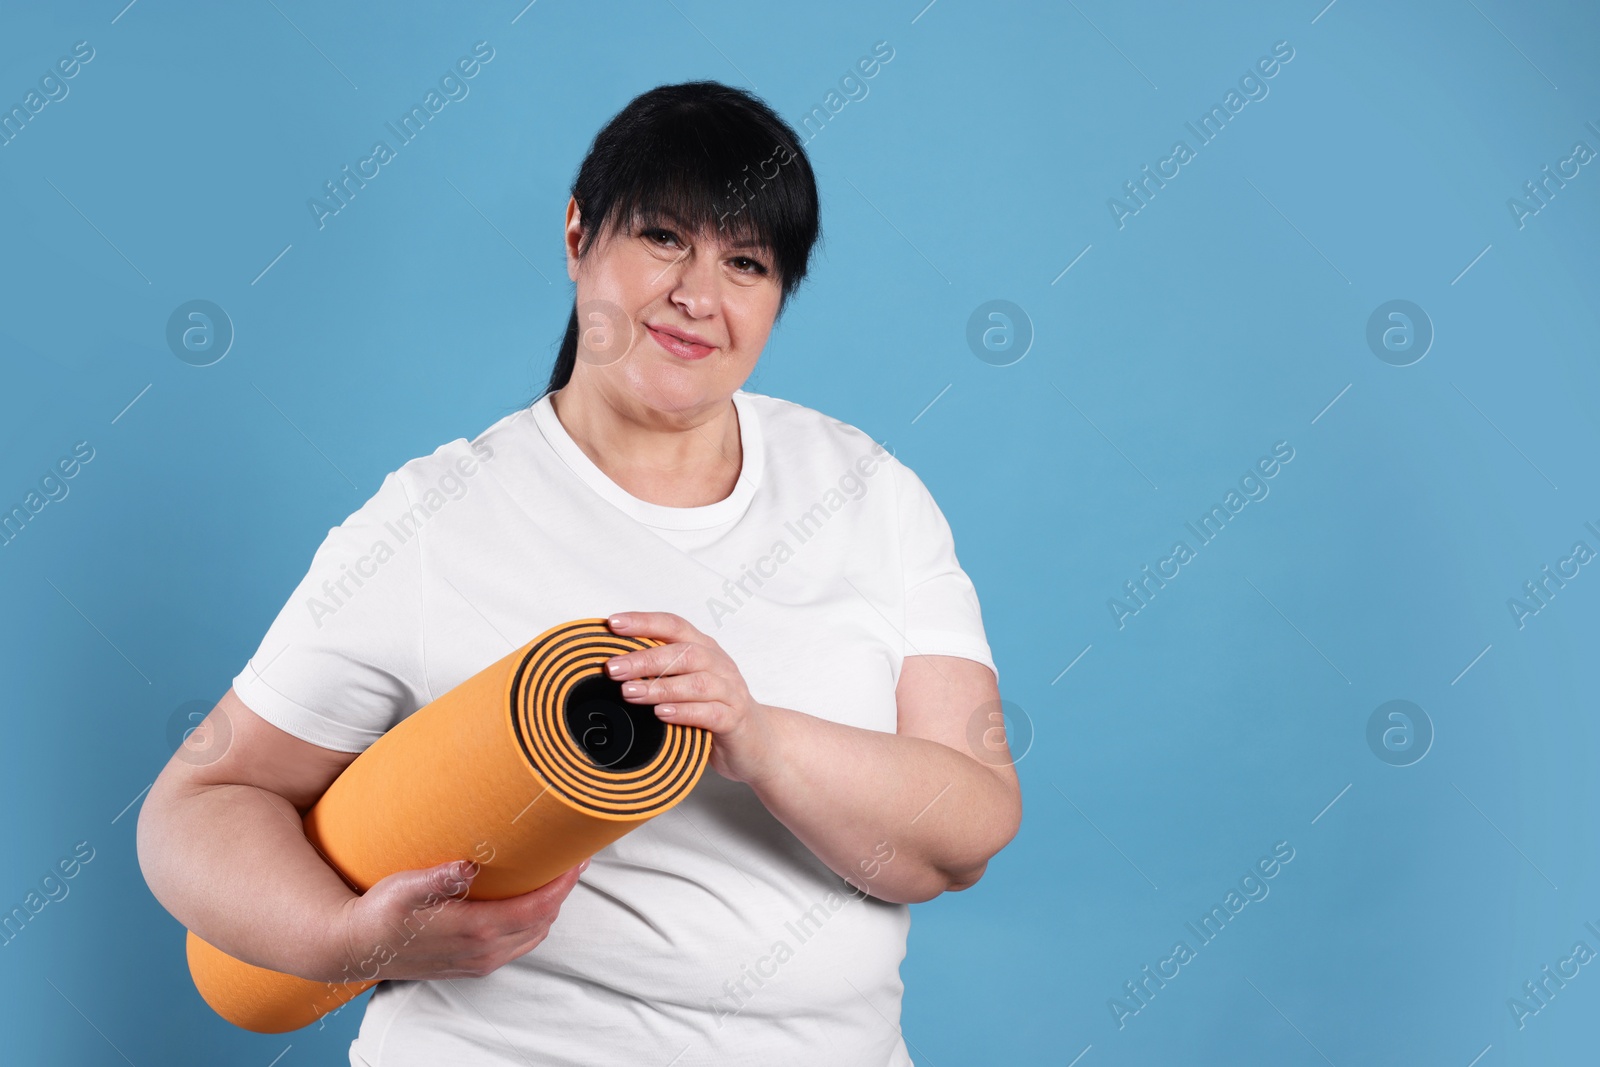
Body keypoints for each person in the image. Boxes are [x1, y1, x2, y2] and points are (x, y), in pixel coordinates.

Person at [137, 80, 1021, 1066]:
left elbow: (967, 826)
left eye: (744, 262)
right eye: (662, 238)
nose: (698, 294)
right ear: (575, 233)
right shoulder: (432, 520)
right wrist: (344, 939)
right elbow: (199, 803)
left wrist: (758, 734)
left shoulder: (866, 492)